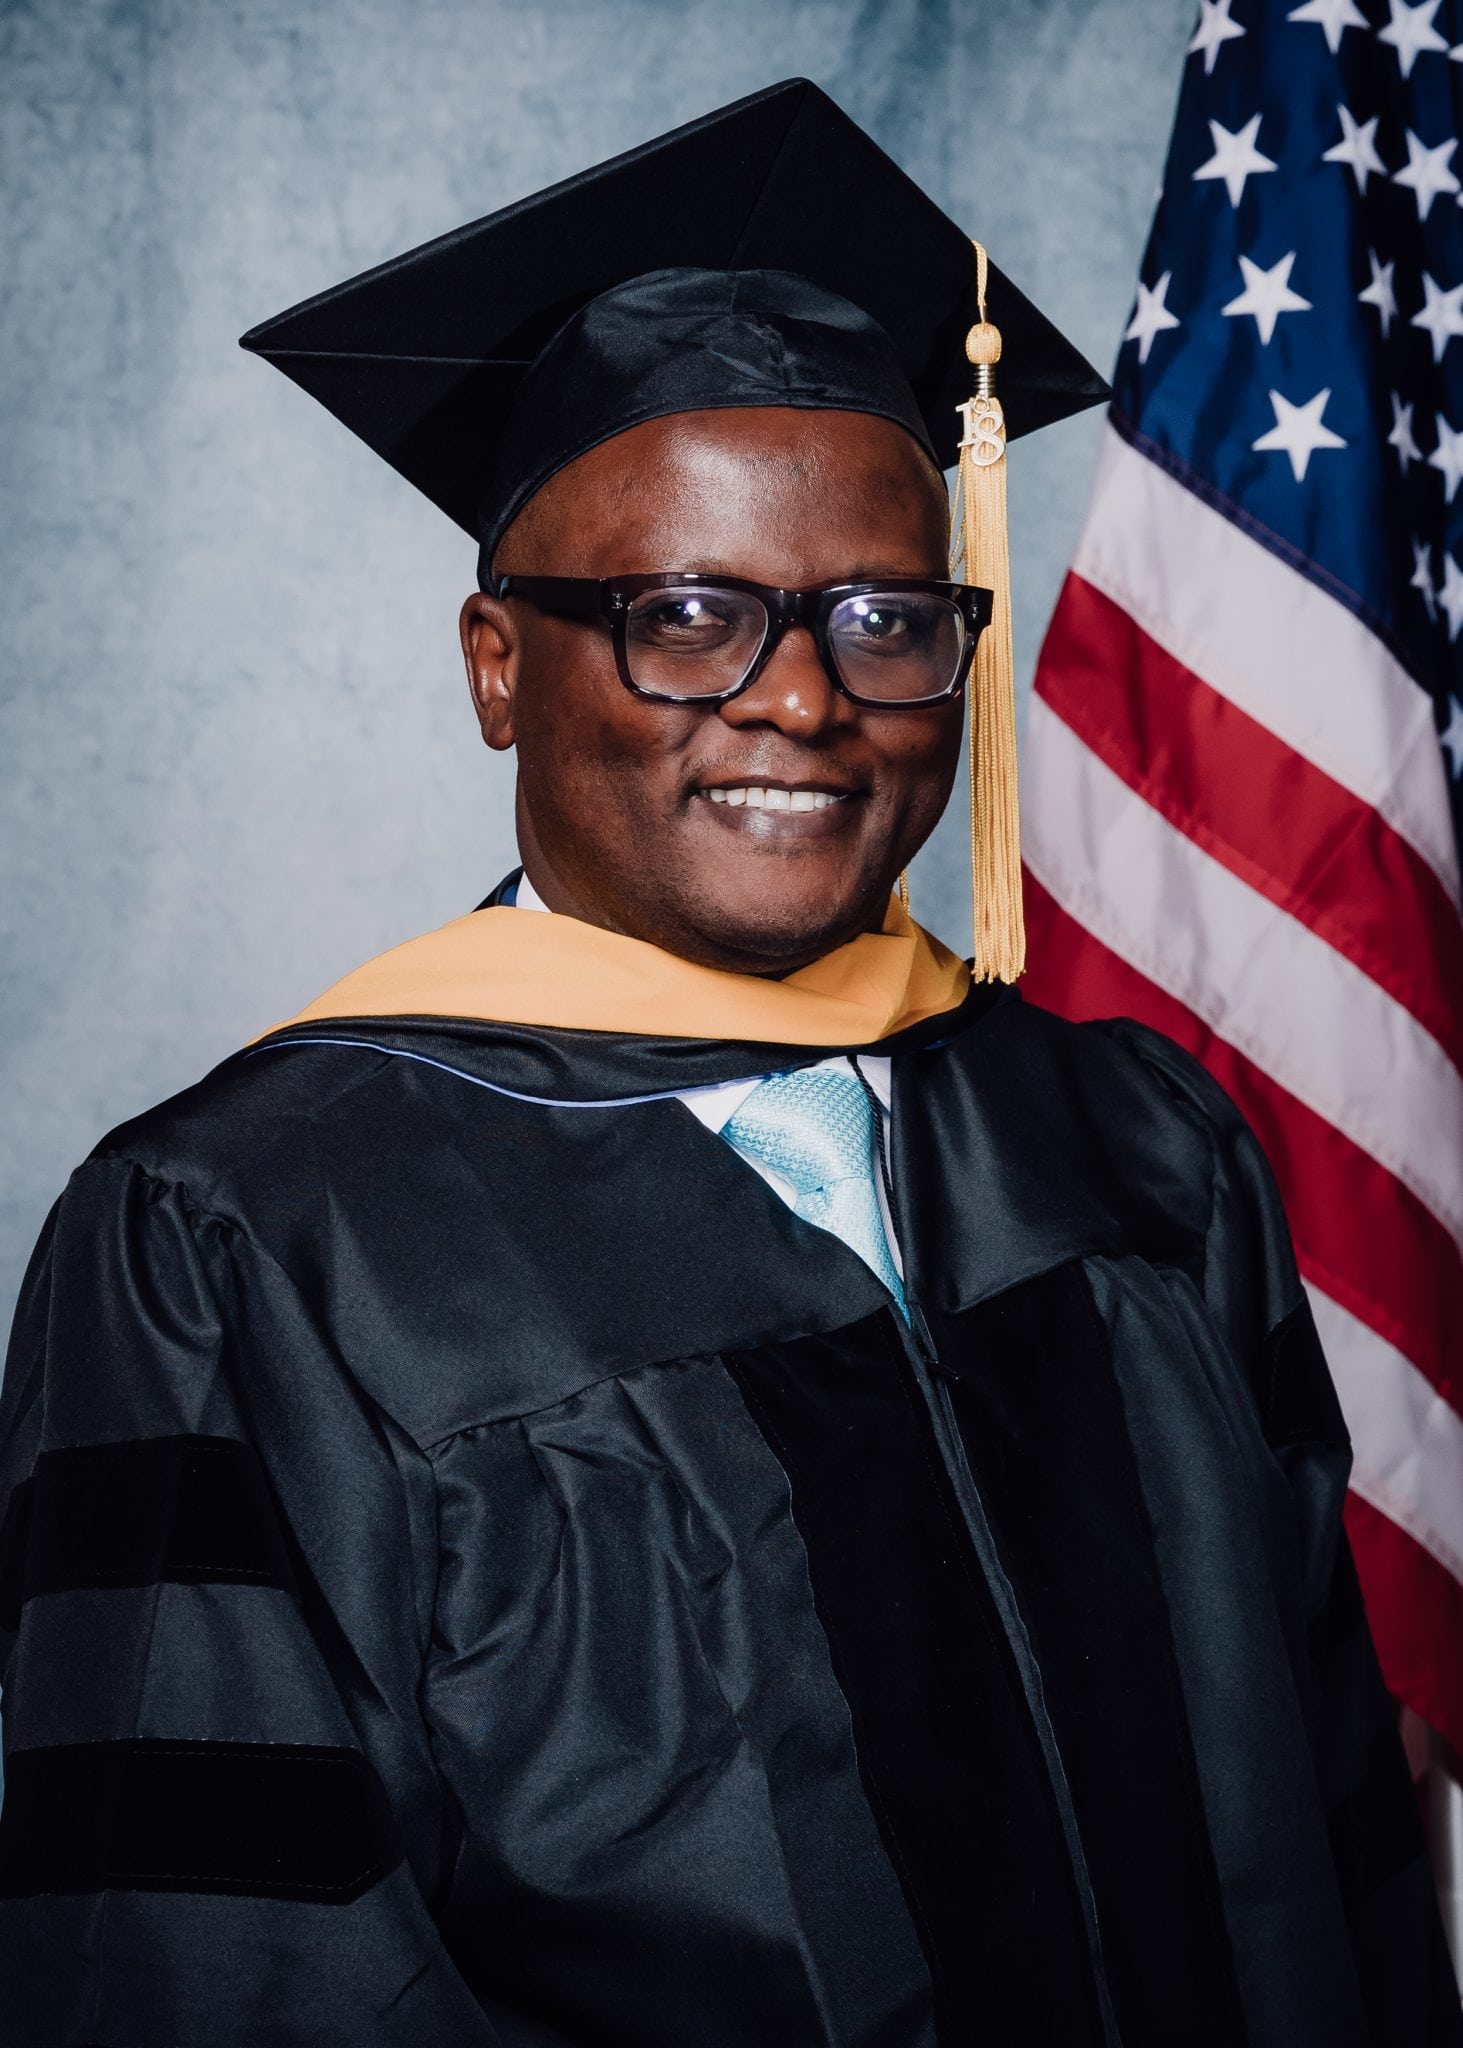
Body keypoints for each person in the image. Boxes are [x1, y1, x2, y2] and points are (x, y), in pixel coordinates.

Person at [0, 78, 1455, 2048]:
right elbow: (218, 1968)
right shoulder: (248, 1239)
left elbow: (1340, 1846)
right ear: (497, 662)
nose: (800, 698)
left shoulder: (1138, 1145)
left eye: (883, 617)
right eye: (686, 614)